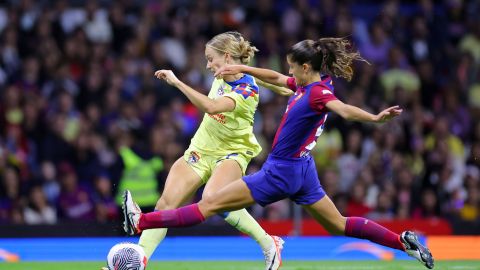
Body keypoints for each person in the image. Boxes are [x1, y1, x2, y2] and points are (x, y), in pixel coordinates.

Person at [123, 37, 434, 269]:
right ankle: (401, 241)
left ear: (306, 67)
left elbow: (345, 111)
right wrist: (243, 67)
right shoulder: (306, 85)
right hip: (303, 171)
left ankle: (141, 221)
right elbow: (274, 78)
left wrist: (376, 118)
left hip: (280, 173)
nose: (288, 72)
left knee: (208, 204)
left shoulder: (318, 94)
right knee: (337, 224)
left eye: (292, 67)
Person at [130, 31, 290, 270]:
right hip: (201, 148)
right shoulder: (224, 72)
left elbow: (212, 106)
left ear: (226, 57)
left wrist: (177, 82)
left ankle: (269, 243)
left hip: (233, 153)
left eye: (210, 58)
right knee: (165, 204)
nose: (207, 65)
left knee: (213, 199)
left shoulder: (247, 90)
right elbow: (280, 86)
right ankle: (136, 263)